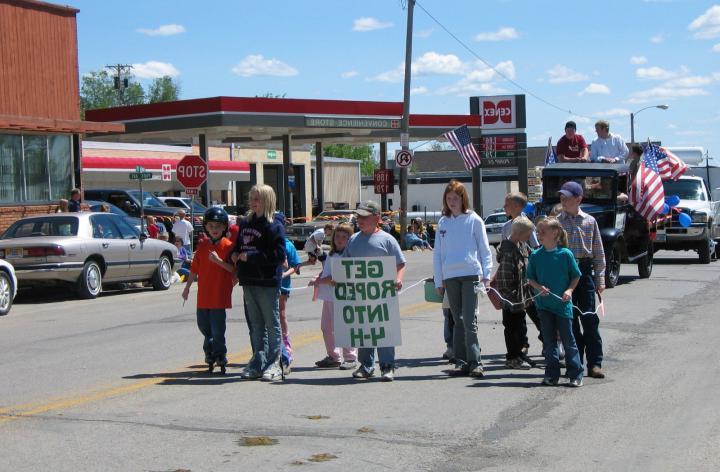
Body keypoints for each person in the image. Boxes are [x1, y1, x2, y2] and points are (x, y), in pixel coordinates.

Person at [433, 180, 493, 378]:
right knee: (456, 320)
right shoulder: (443, 222)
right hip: (450, 276)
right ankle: (461, 362)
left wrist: (487, 275)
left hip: (470, 274)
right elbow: (438, 254)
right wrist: (438, 281)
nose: (452, 202)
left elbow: (485, 250)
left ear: (463, 198)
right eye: (448, 199)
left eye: (455, 198)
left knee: (469, 320)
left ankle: (475, 361)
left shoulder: (474, 219)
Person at [342, 200, 405, 382]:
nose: (359, 220)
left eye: (364, 217)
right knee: (365, 330)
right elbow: (345, 265)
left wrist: (398, 279)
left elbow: (400, 264)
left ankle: (387, 365)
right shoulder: (353, 240)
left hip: (383, 296)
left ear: (376, 218)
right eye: (358, 217)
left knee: (383, 330)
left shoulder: (387, 239)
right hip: (361, 295)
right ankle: (366, 365)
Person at [232, 184, 286, 382]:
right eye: (251, 198)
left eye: (257, 199)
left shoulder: (274, 226)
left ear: (267, 201)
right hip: (248, 279)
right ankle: (258, 360)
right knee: (256, 325)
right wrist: (235, 254)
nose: (253, 202)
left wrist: (251, 256)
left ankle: (276, 363)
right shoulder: (245, 223)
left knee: (271, 323)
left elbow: (278, 255)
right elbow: (238, 246)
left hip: (267, 280)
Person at [526, 217, 584, 387]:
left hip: (562, 306)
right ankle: (552, 374)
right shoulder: (536, 255)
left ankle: (575, 374)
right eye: (538, 232)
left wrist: (569, 290)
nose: (539, 234)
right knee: (549, 341)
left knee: (568, 341)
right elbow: (530, 278)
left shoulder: (565, 254)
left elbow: (576, 275)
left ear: (555, 233)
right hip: (544, 306)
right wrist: (539, 288)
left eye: (543, 231)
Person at [557, 181, 607, 379]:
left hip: (584, 271)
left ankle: (595, 363)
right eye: (561, 196)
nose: (563, 200)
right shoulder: (557, 222)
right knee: (569, 321)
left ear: (578, 199)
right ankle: (575, 362)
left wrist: (600, 279)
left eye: (567, 196)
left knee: (589, 318)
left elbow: (598, 252)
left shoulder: (589, 221)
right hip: (564, 273)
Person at [181, 208, 236, 373]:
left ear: (224, 227)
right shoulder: (203, 246)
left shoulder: (228, 246)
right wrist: (187, 287)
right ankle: (210, 351)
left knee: (218, 330)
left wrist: (219, 261)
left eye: (218, 226)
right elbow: (194, 269)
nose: (214, 229)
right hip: (203, 297)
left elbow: (233, 270)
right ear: (206, 227)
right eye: (211, 225)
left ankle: (219, 354)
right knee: (204, 327)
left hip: (219, 296)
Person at [310, 223, 358, 370]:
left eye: (344, 237)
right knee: (326, 327)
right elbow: (327, 271)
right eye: (337, 236)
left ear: (350, 239)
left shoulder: (347, 255)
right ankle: (333, 356)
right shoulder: (331, 254)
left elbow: (337, 277)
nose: (340, 239)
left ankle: (350, 357)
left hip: (342, 297)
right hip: (329, 296)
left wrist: (319, 281)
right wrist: (319, 276)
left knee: (343, 327)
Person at [502, 192, 541, 364]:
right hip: (513, 289)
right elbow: (504, 258)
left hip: (527, 280)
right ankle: (516, 353)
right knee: (515, 322)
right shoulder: (507, 227)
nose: (504, 207)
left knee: (532, 312)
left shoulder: (527, 226)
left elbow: (534, 249)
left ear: (518, 207)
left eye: (507, 204)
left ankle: (547, 342)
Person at [495, 216, 538, 370]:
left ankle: (520, 356)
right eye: (528, 234)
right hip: (511, 300)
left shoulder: (521, 245)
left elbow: (532, 256)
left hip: (520, 298)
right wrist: (515, 300)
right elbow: (505, 282)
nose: (529, 238)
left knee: (519, 328)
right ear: (519, 233)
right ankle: (513, 358)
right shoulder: (508, 251)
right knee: (512, 329)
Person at [279, 235, 301, 374]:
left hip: (282, 285)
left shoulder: (288, 245)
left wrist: (285, 274)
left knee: (281, 314)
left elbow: (295, 266)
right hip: (266, 284)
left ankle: (286, 345)